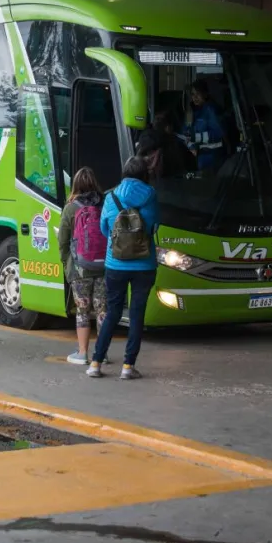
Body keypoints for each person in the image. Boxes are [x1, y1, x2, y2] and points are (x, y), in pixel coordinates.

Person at [87, 157, 159, 380]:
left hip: (115, 263)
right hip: (144, 264)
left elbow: (104, 229)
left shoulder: (111, 196)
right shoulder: (151, 194)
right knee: (136, 314)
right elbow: (155, 225)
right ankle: (128, 367)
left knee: (112, 312)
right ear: (144, 174)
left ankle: (96, 363)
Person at [57, 167, 107, 365]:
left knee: (83, 310)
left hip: (79, 268)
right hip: (103, 266)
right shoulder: (105, 205)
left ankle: (82, 353)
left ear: (75, 185)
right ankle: (102, 353)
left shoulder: (71, 208)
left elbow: (62, 241)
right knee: (103, 310)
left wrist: (66, 263)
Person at [137, 111, 194, 181]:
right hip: (169, 187)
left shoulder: (143, 140)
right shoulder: (173, 145)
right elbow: (189, 167)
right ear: (168, 127)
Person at [186, 78, 226, 173]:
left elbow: (219, 133)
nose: (195, 97)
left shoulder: (211, 110)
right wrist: (190, 145)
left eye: (198, 94)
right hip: (200, 158)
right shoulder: (191, 112)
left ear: (205, 94)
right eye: (192, 94)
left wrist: (196, 137)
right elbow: (185, 133)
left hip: (213, 158)